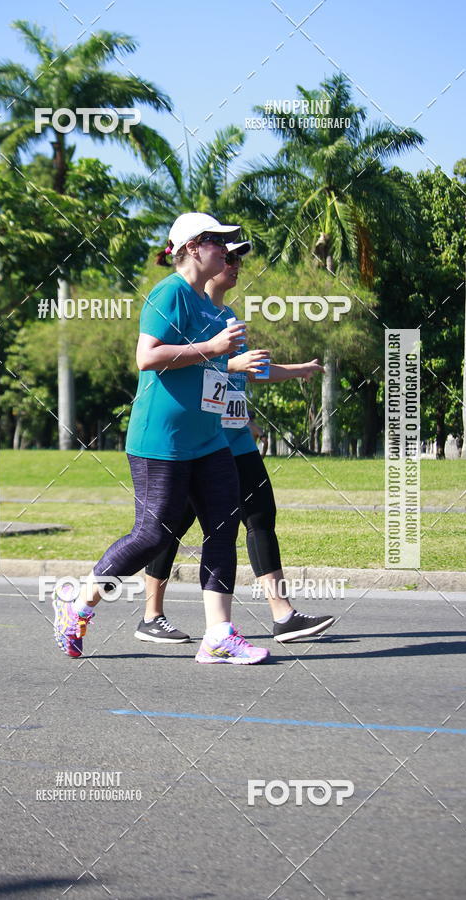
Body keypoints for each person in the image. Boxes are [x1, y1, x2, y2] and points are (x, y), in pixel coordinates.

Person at [53, 213, 270, 664]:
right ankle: (78, 604)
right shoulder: (169, 292)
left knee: (223, 526)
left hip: (207, 438)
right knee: (153, 534)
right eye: (219, 243)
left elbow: (213, 372)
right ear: (192, 247)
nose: (227, 252)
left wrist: (229, 380)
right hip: (162, 440)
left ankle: (219, 635)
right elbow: (146, 356)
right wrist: (213, 349)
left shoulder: (212, 306)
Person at [136, 242, 335, 645]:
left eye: (239, 258)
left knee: (257, 514)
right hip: (200, 438)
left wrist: (297, 372)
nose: (235, 265)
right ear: (199, 258)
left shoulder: (226, 315)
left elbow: (244, 374)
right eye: (229, 257)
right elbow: (191, 364)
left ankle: (276, 616)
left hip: (232, 436)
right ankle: (149, 614)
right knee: (167, 528)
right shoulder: (181, 302)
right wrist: (226, 361)